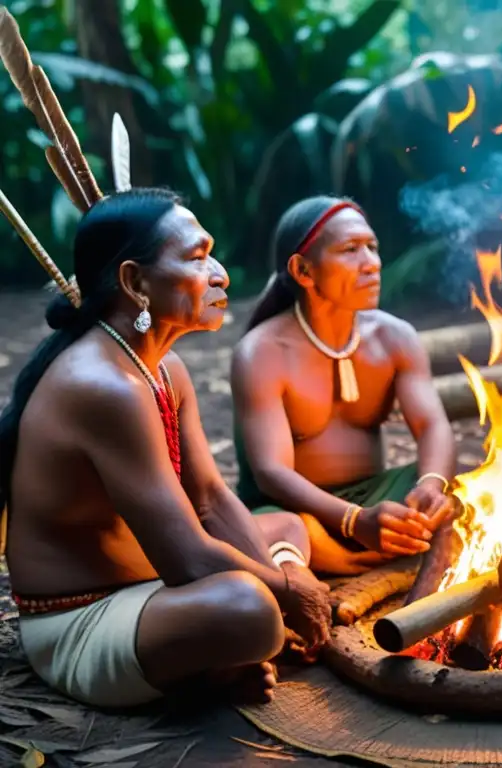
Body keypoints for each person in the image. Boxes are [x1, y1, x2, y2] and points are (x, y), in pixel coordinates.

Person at [0, 187, 334, 710]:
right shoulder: (104, 387)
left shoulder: (161, 366)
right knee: (250, 608)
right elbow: (187, 557)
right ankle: (212, 665)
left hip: (150, 584)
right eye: (198, 258)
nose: (220, 274)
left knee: (285, 527)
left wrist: (284, 584)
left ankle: (218, 662)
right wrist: (289, 593)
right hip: (84, 619)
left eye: (211, 253)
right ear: (135, 282)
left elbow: (210, 499)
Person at [231, 196, 459, 576]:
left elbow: (432, 426)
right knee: (273, 531)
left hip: (379, 499)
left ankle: (373, 551)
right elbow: (271, 472)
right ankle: (334, 561)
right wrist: (354, 520)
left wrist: (431, 487)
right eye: (351, 250)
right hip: (296, 514)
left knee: (473, 484)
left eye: (372, 247)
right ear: (303, 270)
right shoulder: (262, 352)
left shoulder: (395, 337)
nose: (372, 263)